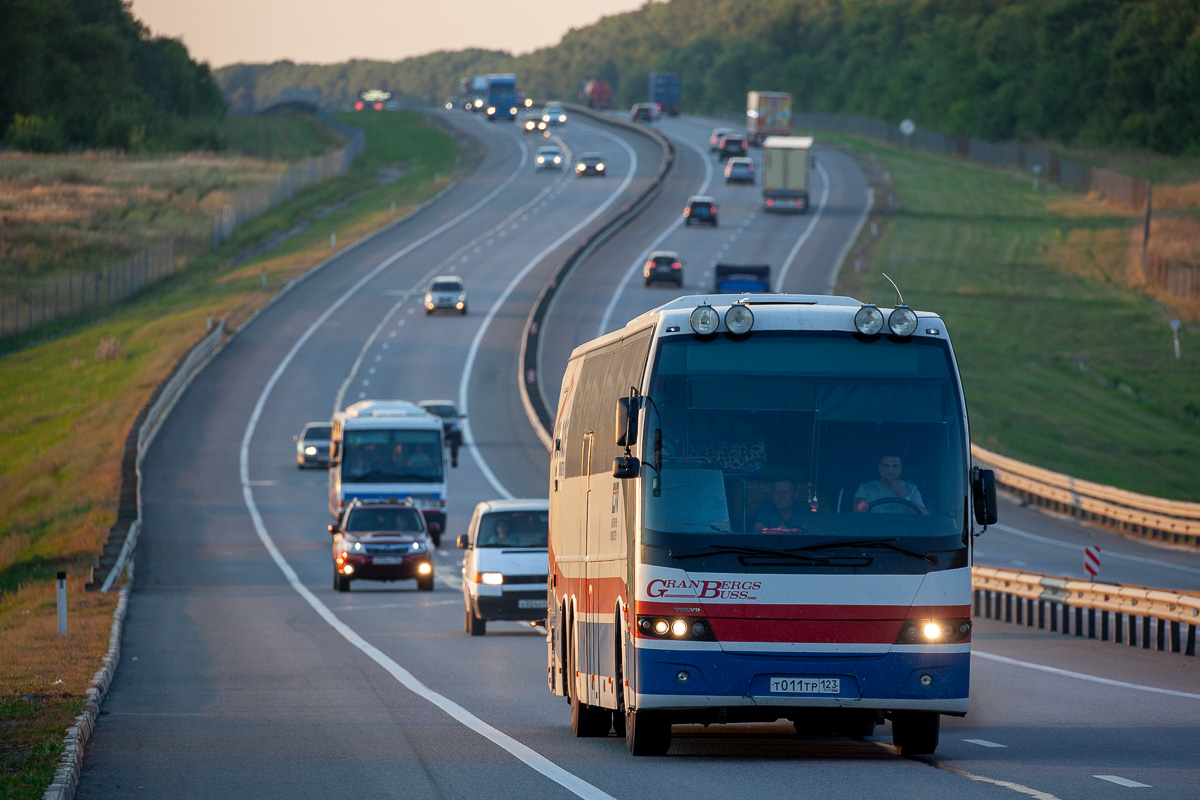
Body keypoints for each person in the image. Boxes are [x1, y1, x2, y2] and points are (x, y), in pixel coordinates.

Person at [853, 453, 928, 514]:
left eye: (895, 466)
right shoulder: (866, 488)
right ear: (879, 466)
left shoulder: (911, 488)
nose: (890, 470)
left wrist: (904, 495)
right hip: (875, 531)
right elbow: (857, 506)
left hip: (904, 531)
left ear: (901, 468)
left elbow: (925, 517)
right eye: (886, 466)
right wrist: (861, 504)